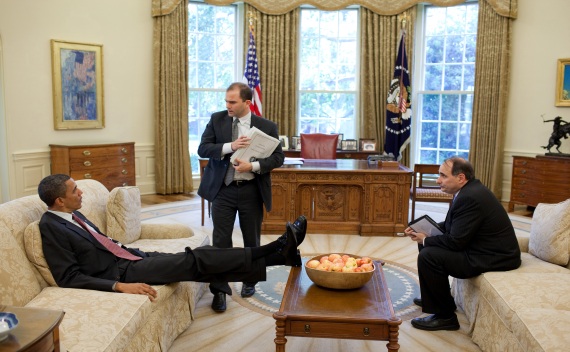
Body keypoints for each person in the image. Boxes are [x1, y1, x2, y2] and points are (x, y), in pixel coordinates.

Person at [38, 174, 306, 302]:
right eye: (75, 190)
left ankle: (278, 255)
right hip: (121, 273)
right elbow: (68, 277)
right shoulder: (51, 227)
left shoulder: (74, 215)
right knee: (197, 260)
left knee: (203, 256)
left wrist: (135, 253)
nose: (81, 192)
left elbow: (100, 242)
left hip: (133, 257)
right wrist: (118, 287)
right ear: (60, 200)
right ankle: (276, 250)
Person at [197, 82, 286, 312]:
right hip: (223, 190)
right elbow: (203, 149)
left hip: (251, 191)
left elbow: (278, 158)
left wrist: (254, 166)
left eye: (232, 102)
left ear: (247, 103)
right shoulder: (217, 119)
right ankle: (220, 290)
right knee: (221, 243)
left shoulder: (266, 126)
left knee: (251, 240)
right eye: (226, 101)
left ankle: (250, 280)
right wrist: (230, 146)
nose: (227, 105)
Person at [404, 157, 521, 331]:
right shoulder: (467, 191)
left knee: (430, 256)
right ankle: (436, 298)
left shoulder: (470, 197)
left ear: (460, 178)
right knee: (428, 244)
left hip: (493, 256)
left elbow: (456, 241)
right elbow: (455, 227)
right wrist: (424, 231)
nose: (438, 180)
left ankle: (445, 317)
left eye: (443, 176)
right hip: (481, 247)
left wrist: (426, 238)